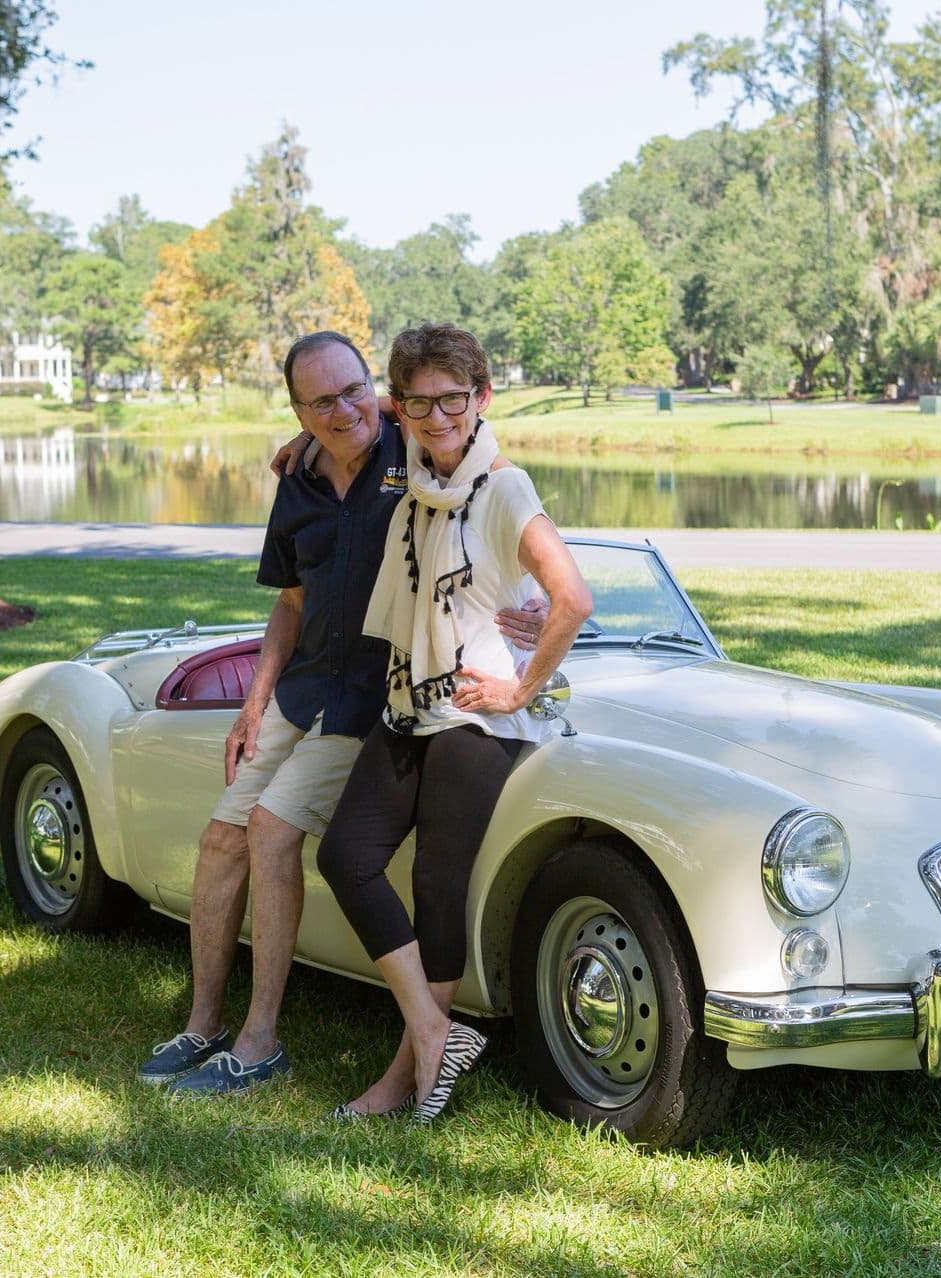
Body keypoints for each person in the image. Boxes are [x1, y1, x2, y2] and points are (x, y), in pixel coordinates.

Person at [137, 330, 542, 1095]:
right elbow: (291, 603)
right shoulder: (296, 479)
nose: (343, 410)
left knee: (270, 829)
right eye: (320, 402)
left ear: (375, 391)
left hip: (374, 695)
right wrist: (254, 700)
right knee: (221, 838)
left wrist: (534, 603)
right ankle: (202, 1024)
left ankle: (260, 1042)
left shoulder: (413, 446)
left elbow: (475, 454)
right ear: (296, 411)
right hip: (302, 687)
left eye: (354, 391)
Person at [317, 323, 592, 1124]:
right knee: (347, 856)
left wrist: (520, 689)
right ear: (400, 406)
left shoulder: (504, 488)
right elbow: (358, 415)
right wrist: (299, 446)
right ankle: (436, 1032)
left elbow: (571, 597)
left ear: (483, 399)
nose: (437, 417)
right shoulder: (416, 469)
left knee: (437, 879)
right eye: (419, 403)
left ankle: (405, 1076)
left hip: (476, 711)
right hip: (410, 701)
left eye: (453, 400)